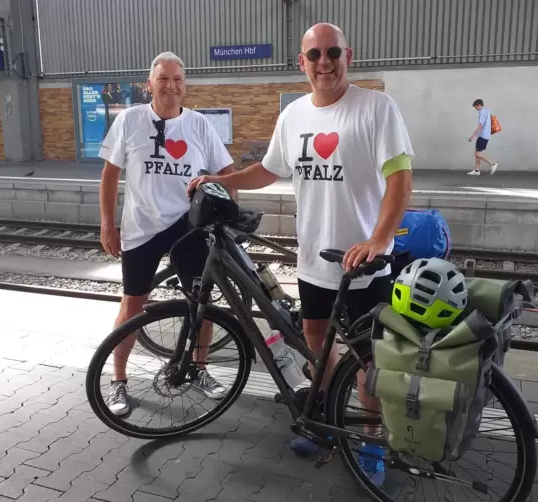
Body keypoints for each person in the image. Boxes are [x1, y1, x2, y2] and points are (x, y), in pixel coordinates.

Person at [189, 23, 413, 486]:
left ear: (347, 55)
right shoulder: (293, 116)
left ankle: (372, 441)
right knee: (317, 347)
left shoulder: (375, 109)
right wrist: (221, 179)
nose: (324, 62)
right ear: (302, 63)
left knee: (370, 363)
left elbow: (399, 177)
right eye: (315, 55)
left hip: (364, 265)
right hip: (314, 258)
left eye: (333, 52)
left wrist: (378, 239)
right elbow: (269, 171)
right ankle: (325, 422)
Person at [98, 51, 236, 416]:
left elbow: (226, 170)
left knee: (201, 302)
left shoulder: (199, 125)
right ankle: (119, 380)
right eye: (163, 79)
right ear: (150, 84)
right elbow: (110, 174)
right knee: (132, 304)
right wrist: (106, 223)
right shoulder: (129, 120)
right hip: (141, 227)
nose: (171, 85)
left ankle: (200, 369)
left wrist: (226, 215)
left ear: (185, 86)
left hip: (187, 227)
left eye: (177, 79)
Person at [468, 99, 498, 175]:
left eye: (475, 107)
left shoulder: (482, 112)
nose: (476, 109)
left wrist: (472, 136)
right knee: (477, 151)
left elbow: (480, 126)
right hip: (485, 135)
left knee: (478, 154)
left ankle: (493, 164)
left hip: (483, 135)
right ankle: (477, 170)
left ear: (478, 105)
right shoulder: (487, 110)